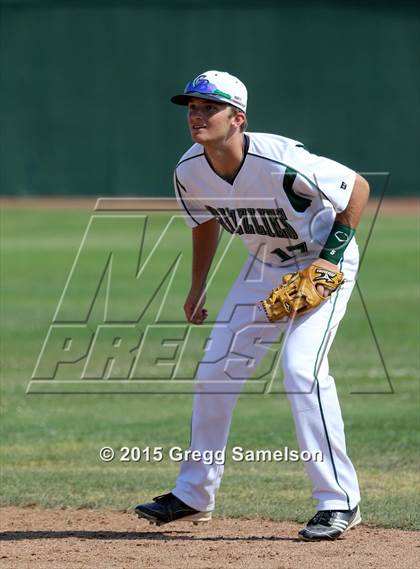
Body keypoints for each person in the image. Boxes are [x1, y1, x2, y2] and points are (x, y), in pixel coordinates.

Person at [135, 70, 370, 541]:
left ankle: (339, 501)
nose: (197, 116)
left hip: (325, 261)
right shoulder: (189, 170)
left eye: (209, 108)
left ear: (236, 119)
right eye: (192, 108)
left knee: (301, 369)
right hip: (263, 267)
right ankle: (194, 494)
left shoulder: (279, 159)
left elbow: (357, 188)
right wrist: (197, 284)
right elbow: (203, 220)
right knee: (215, 372)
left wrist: (327, 263)